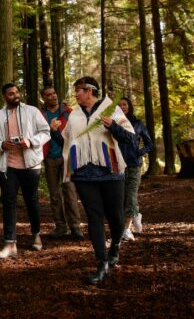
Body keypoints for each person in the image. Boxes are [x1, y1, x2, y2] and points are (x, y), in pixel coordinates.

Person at [58, 76, 136, 284]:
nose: (76, 94)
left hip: (110, 170)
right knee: (94, 217)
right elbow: (66, 141)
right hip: (83, 173)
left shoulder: (110, 108)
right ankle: (101, 263)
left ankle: (116, 246)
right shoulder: (74, 115)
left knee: (116, 217)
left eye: (79, 90)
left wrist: (113, 127)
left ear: (90, 91)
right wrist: (53, 130)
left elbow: (130, 136)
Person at [0, 83, 51, 259]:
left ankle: (36, 235)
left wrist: (30, 141)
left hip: (31, 164)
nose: (15, 96)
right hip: (8, 166)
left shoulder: (32, 111)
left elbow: (46, 132)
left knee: (32, 200)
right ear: (4, 96)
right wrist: (1, 144)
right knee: (9, 202)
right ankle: (10, 243)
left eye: (16, 92)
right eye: (10, 94)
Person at [39, 86, 84, 239]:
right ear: (44, 98)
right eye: (49, 95)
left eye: (54, 93)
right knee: (54, 194)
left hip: (67, 157)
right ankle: (60, 226)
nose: (53, 96)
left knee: (70, 191)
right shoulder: (40, 114)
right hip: (49, 157)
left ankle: (75, 227)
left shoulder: (69, 111)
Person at [118, 97, 154, 241]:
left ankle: (126, 229)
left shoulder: (138, 124)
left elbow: (149, 144)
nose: (122, 107)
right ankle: (136, 214)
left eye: (125, 104)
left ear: (130, 106)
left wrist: (138, 152)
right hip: (118, 165)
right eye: (120, 105)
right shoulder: (114, 124)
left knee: (131, 195)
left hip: (134, 165)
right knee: (123, 197)